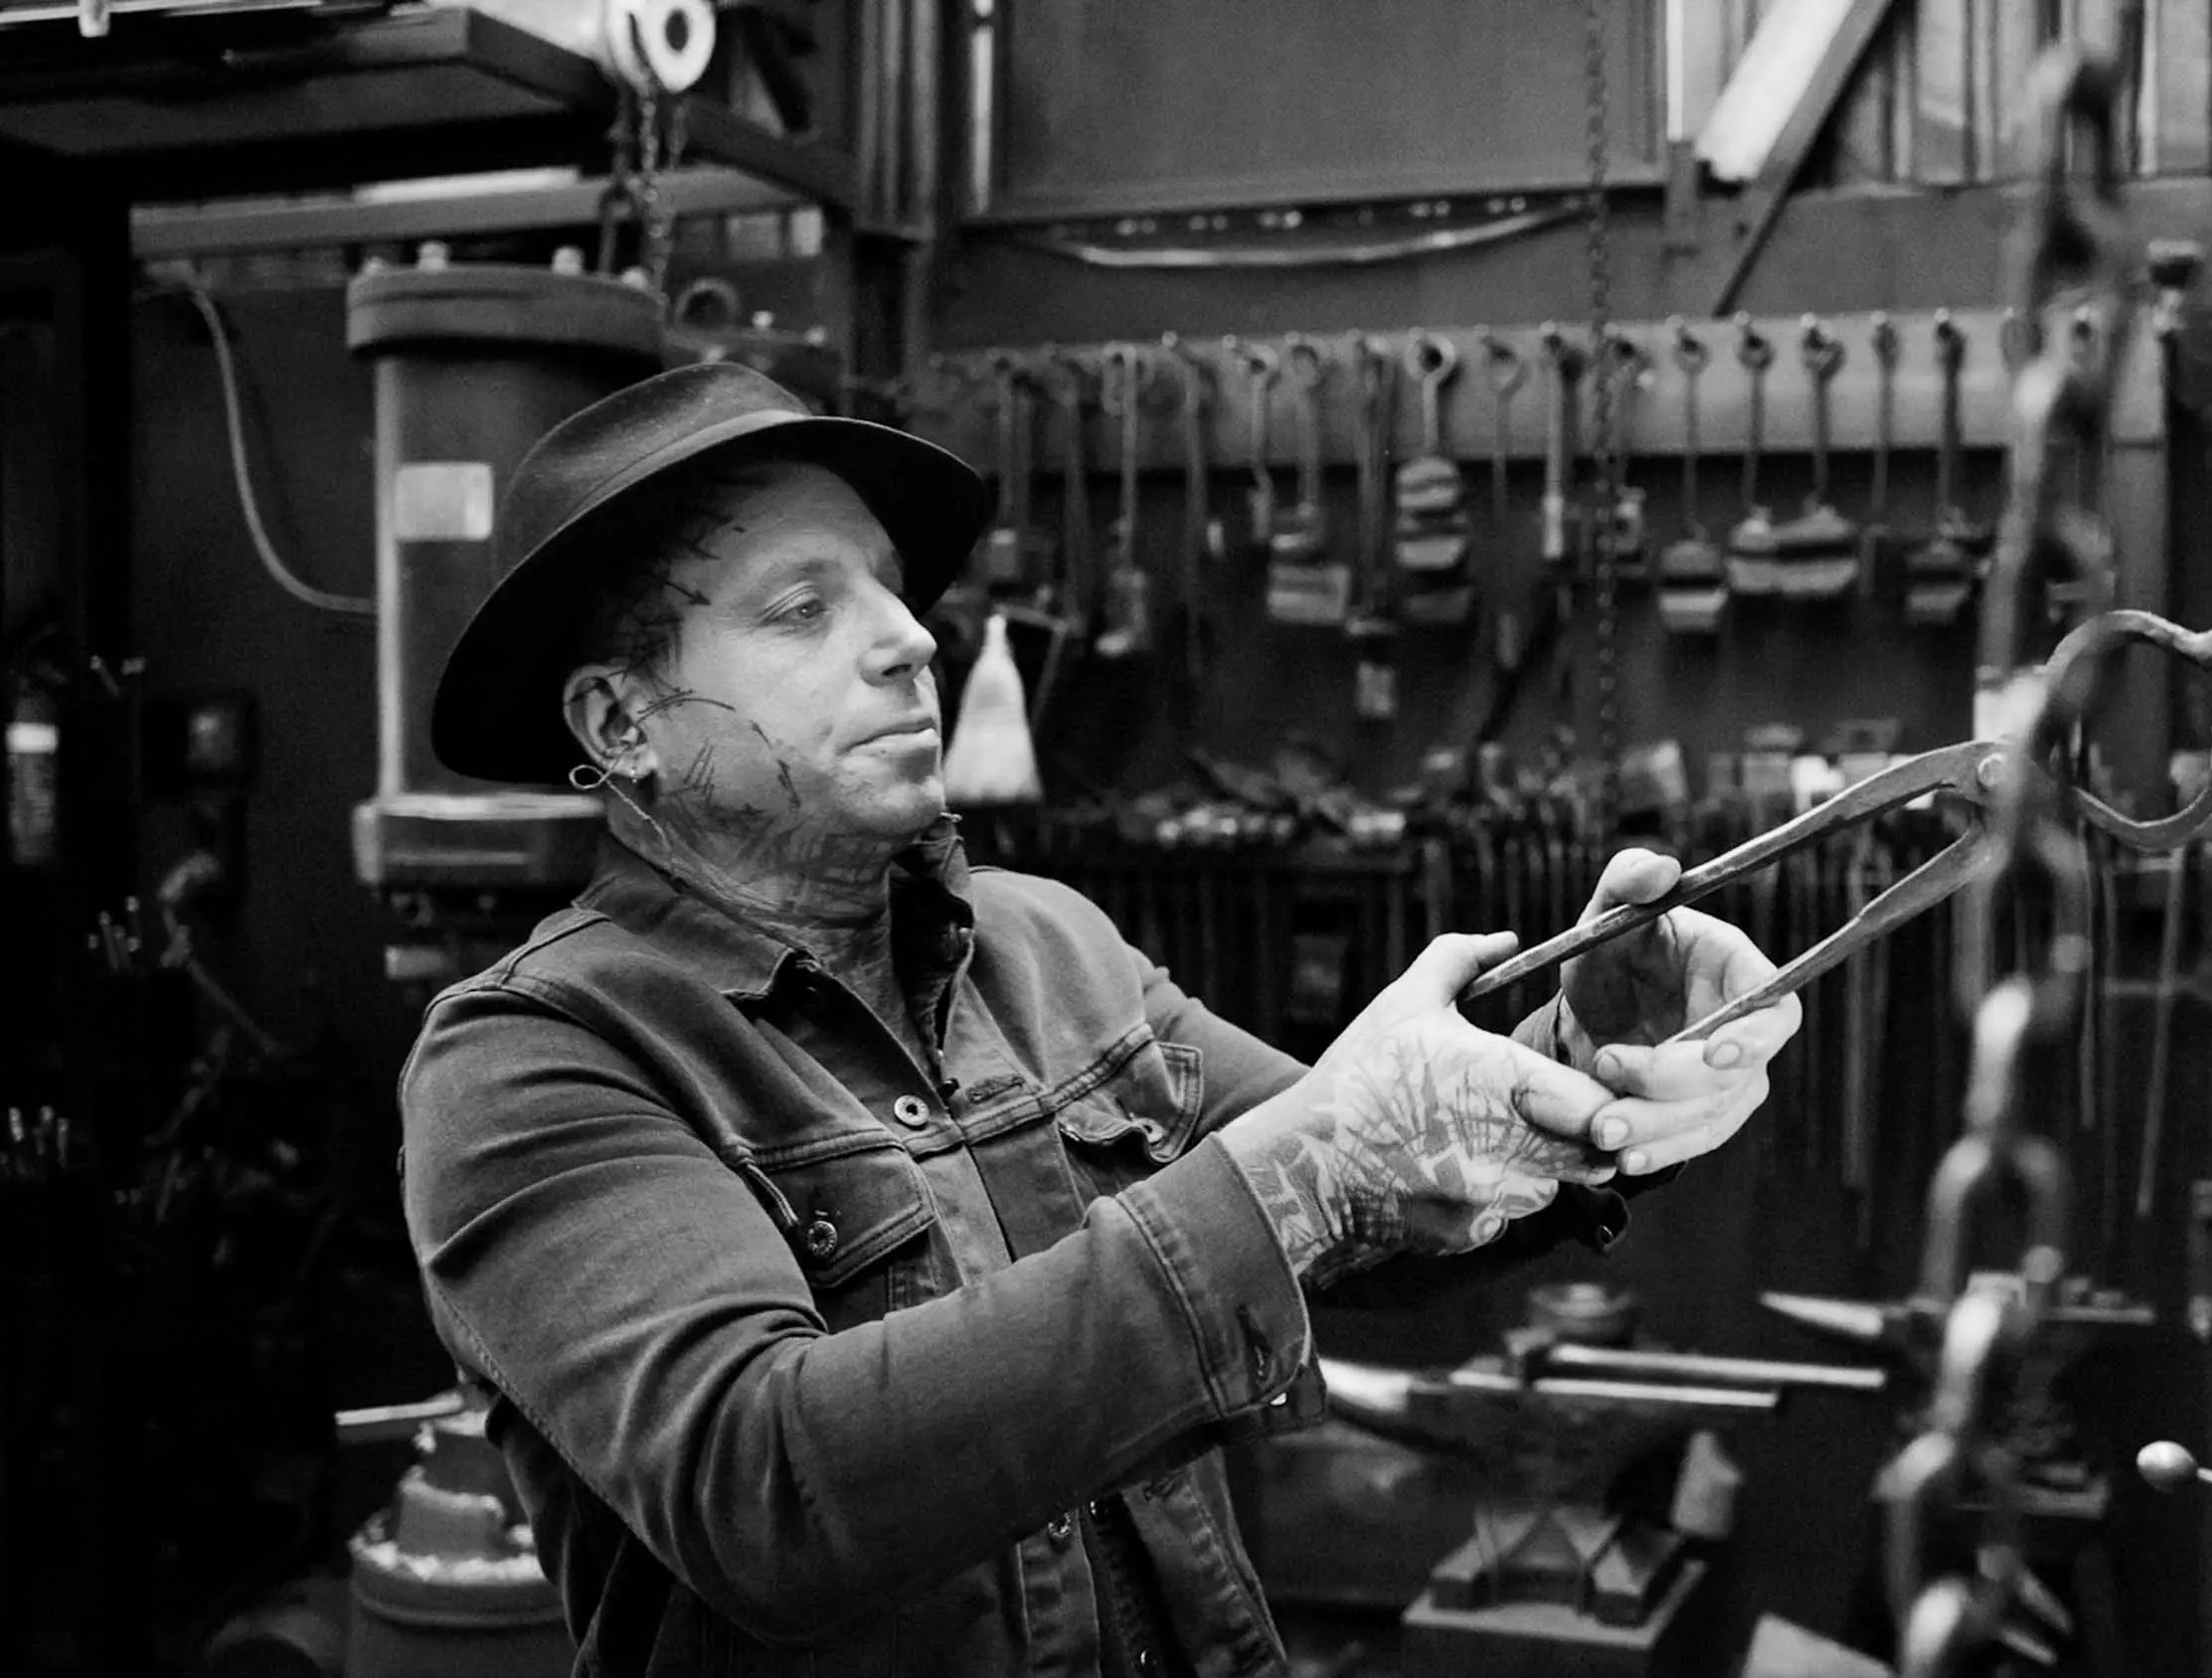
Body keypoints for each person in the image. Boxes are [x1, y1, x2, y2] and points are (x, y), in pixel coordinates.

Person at [398, 363, 1803, 1678]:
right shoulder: (538, 1060)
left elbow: (1368, 1200)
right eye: (800, 608)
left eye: (888, 593)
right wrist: (1314, 1162)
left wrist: (1581, 1063)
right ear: (622, 721)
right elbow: (772, 1488)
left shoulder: (1046, 942)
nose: (908, 640)